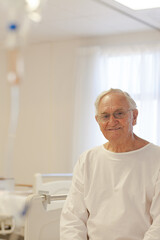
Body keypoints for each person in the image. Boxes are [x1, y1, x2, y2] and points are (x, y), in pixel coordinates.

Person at [60, 88, 160, 240]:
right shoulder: (87, 160)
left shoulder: (156, 158)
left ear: (134, 116)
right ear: (98, 121)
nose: (112, 121)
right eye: (105, 116)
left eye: (119, 113)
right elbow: (72, 218)